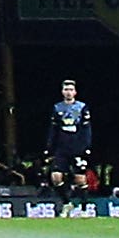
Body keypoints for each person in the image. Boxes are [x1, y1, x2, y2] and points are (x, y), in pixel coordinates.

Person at [45, 78, 93, 206]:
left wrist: (86, 146)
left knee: (80, 179)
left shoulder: (82, 107)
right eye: (66, 89)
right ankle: (67, 203)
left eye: (71, 90)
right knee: (55, 177)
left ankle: (84, 206)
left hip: (77, 147)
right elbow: (53, 129)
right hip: (62, 148)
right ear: (62, 91)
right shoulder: (57, 108)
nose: (68, 92)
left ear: (75, 92)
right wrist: (49, 146)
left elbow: (86, 128)